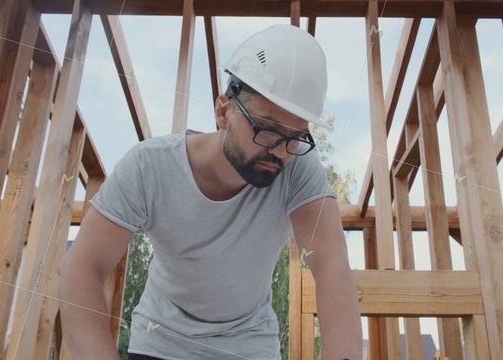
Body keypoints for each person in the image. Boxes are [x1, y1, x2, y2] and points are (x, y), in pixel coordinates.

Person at [60, 24, 363, 360]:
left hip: (250, 346)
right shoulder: (149, 167)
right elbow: (83, 267)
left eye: (296, 137)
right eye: (267, 129)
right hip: (160, 340)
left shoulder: (298, 169)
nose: (281, 151)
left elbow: (332, 268)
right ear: (223, 111)